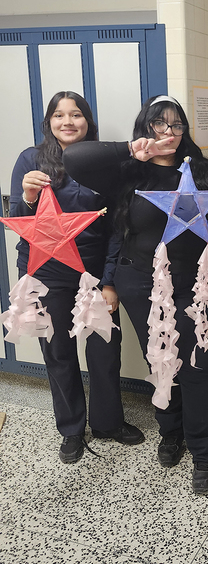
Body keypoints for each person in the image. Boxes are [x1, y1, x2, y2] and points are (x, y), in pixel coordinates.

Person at [63, 95, 208, 494]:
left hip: (198, 287)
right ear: (146, 128)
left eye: (176, 125)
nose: (169, 132)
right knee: (161, 359)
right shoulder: (128, 172)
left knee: (198, 365)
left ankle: (205, 452)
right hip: (140, 284)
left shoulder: (202, 169)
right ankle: (171, 431)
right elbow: (74, 159)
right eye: (159, 124)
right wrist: (132, 150)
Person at [9, 91, 144, 464]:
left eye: (76, 115)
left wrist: (110, 279)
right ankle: (70, 429)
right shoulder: (30, 160)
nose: (68, 121)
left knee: (104, 349)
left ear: (88, 121)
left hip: (94, 273)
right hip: (43, 273)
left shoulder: (105, 164)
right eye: (59, 115)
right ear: (48, 122)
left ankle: (108, 423)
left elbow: (119, 226)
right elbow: (20, 220)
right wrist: (27, 195)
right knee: (58, 353)